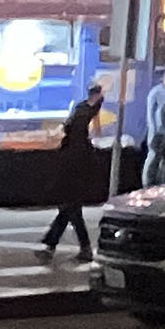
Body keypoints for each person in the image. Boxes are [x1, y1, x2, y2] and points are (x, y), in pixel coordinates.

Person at [36, 92, 105, 260]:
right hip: (74, 182)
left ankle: (66, 246)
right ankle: (52, 245)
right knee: (69, 212)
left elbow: (71, 165)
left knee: (70, 212)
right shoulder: (80, 142)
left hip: (72, 182)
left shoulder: (76, 143)